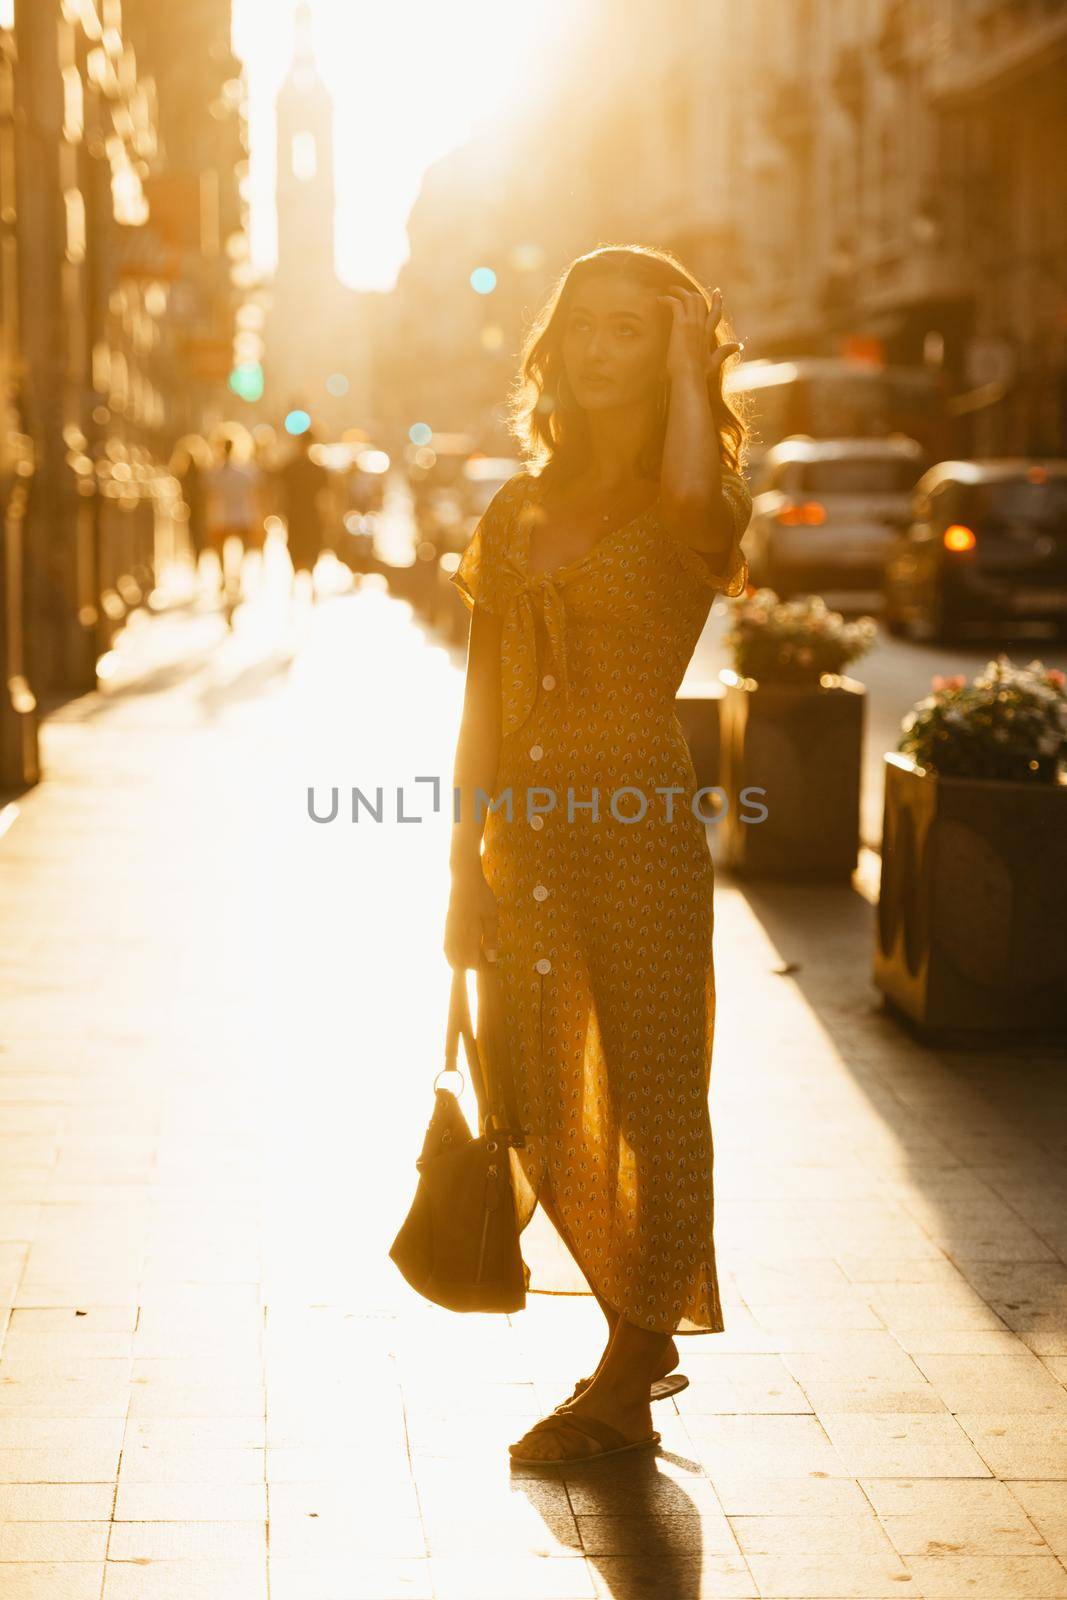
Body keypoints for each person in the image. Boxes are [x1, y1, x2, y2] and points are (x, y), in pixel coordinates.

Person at [442, 244, 752, 1467]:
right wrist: (457, 862)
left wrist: (690, 368)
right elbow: (476, 700)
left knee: (656, 1091)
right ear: (553, 346)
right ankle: (637, 1332)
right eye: (585, 326)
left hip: (638, 835)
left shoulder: (690, 504)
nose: (600, 347)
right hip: (524, 837)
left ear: (668, 350)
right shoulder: (510, 512)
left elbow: (690, 503)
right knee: (534, 1087)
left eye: (632, 329)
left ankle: (630, 1363)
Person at [204, 435, 264, 610]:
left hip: (221, 517)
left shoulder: (214, 473)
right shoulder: (244, 472)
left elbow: (210, 496)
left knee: (221, 550)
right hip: (241, 516)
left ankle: (225, 576)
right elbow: (253, 495)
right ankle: (237, 577)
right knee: (242, 550)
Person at [279, 430, 331, 603]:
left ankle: (297, 583)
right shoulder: (317, 470)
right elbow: (326, 498)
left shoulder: (290, 467)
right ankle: (309, 584)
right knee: (310, 548)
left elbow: (280, 494)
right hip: (310, 516)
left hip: (295, 515)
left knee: (297, 547)